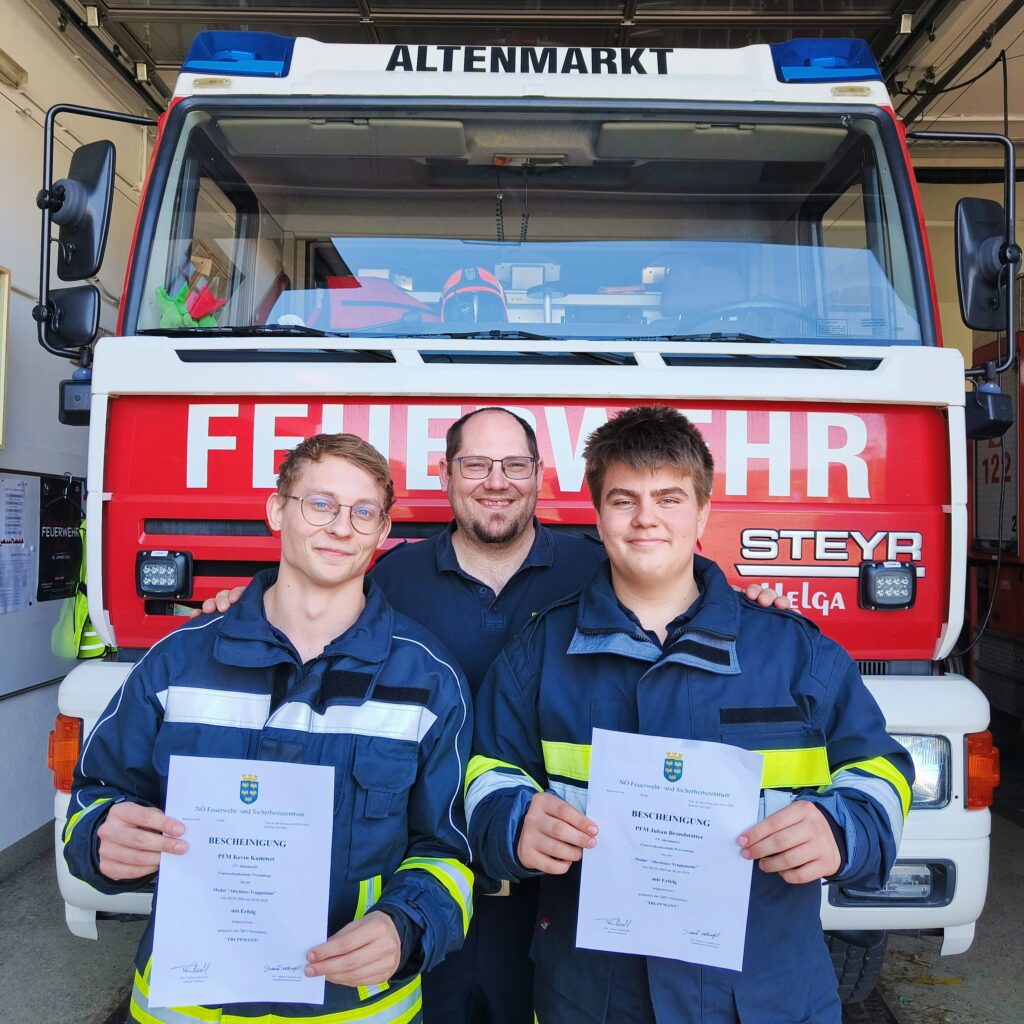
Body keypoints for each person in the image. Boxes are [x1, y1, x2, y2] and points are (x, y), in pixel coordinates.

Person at [199, 406, 792, 1024]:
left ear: (540, 475)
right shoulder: (392, 576)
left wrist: (753, 609)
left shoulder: (598, 566)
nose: (496, 480)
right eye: (476, 464)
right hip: (419, 883)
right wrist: (247, 605)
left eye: (514, 464)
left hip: (557, 892)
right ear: (447, 474)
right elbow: (312, 608)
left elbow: (674, 595)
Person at [466, 405, 914, 1024]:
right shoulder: (538, 655)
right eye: (624, 500)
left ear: (703, 513)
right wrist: (513, 820)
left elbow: (881, 768)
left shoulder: (793, 651)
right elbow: (485, 775)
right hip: (592, 995)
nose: (646, 517)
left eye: (669, 498)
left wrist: (843, 831)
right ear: (597, 517)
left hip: (766, 992)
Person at [63, 433, 474, 1024]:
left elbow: (449, 851)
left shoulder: (428, 682)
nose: (340, 527)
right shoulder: (177, 662)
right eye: (321, 504)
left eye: (363, 513)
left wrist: (404, 924)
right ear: (277, 509)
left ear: (383, 534)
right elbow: (95, 793)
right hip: (186, 1006)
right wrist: (100, 836)